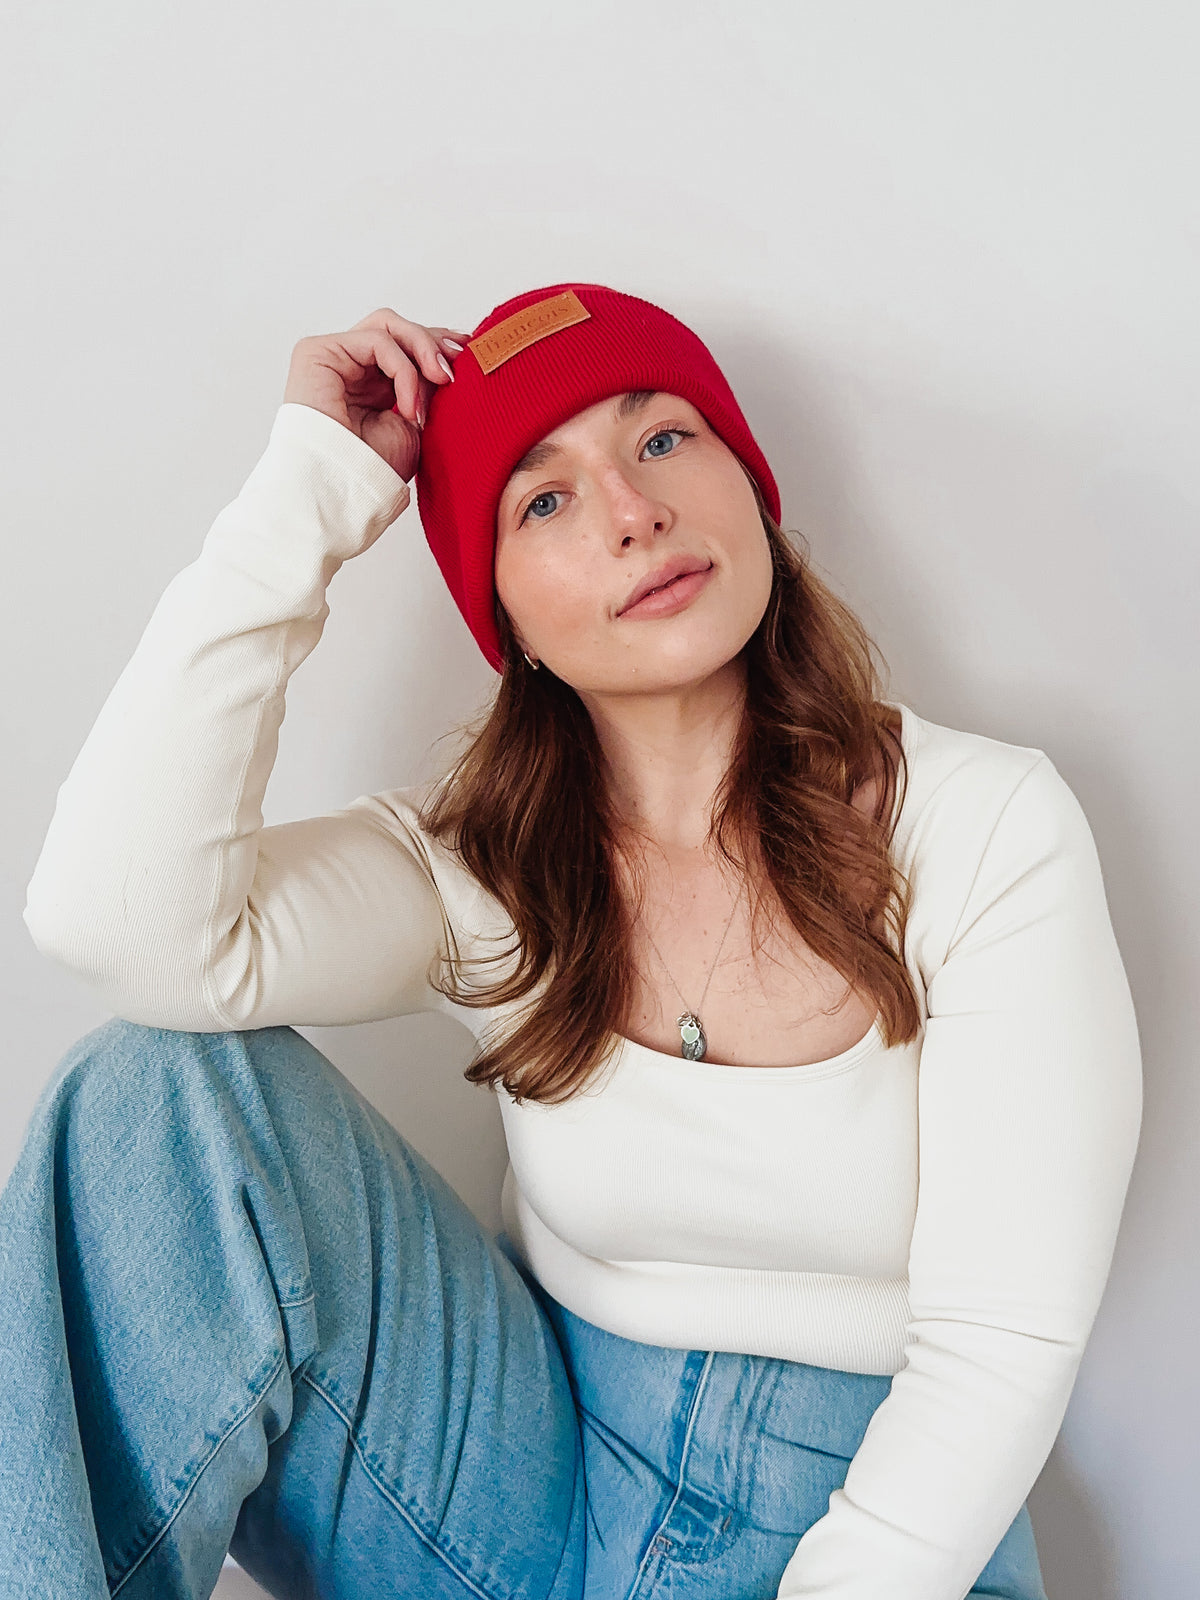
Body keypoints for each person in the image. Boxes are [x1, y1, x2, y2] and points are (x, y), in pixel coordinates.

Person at [2, 282, 1143, 1600]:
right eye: (543, 501)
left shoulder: (984, 827)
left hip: (887, 1527)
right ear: (506, 620)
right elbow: (119, 924)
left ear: (747, 485)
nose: (631, 511)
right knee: (155, 1089)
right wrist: (307, 492)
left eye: (663, 438)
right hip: (532, 1490)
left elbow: (1000, 1347)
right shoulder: (482, 868)